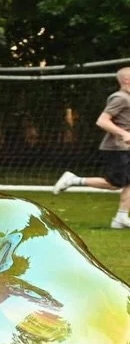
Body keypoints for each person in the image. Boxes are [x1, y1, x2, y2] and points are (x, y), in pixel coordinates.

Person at [53, 67, 130, 229]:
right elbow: (102, 121)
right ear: (126, 80)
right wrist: (123, 133)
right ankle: (73, 180)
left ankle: (121, 218)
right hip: (116, 148)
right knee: (115, 183)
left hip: (125, 148)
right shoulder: (120, 98)